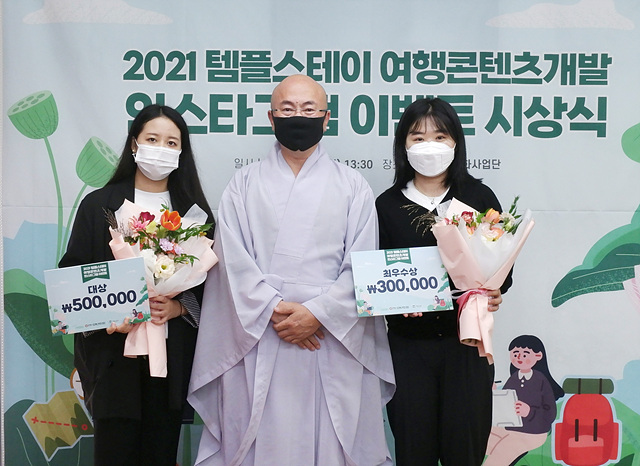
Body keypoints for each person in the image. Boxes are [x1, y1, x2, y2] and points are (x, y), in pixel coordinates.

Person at [188, 74, 395, 466]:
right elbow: (231, 262)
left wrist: (317, 313)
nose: (298, 116)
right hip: (261, 332)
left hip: (331, 337)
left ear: (327, 118)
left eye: (309, 109)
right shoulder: (242, 184)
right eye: (287, 108)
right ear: (271, 117)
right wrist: (276, 311)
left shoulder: (353, 186)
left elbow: (362, 264)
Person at [59, 104, 215, 466]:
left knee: (161, 451)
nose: (161, 149)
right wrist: (110, 313)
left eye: (171, 142)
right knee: (114, 451)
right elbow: (72, 277)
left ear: (182, 151)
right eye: (152, 139)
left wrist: (178, 307)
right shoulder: (99, 205)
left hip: (170, 356)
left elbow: (212, 289)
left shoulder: (195, 214)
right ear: (134, 144)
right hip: (114, 356)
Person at [375, 97, 512, 465]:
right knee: (413, 449)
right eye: (418, 137)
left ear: (456, 143)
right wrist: (395, 303)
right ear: (403, 144)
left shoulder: (478, 198)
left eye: (440, 136)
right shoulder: (386, 205)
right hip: (408, 349)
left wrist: (494, 290)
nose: (429, 146)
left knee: (464, 449)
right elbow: (375, 275)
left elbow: (502, 266)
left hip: (466, 344)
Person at [484, 335, 564, 466]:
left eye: (525, 354)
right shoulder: (514, 378)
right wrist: (494, 392)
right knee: (479, 435)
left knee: (500, 453)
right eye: (515, 354)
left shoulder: (541, 380)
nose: (519, 357)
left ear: (538, 356)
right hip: (510, 427)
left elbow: (550, 414)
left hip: (533, 432)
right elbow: (505, 403)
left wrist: (529, 412)